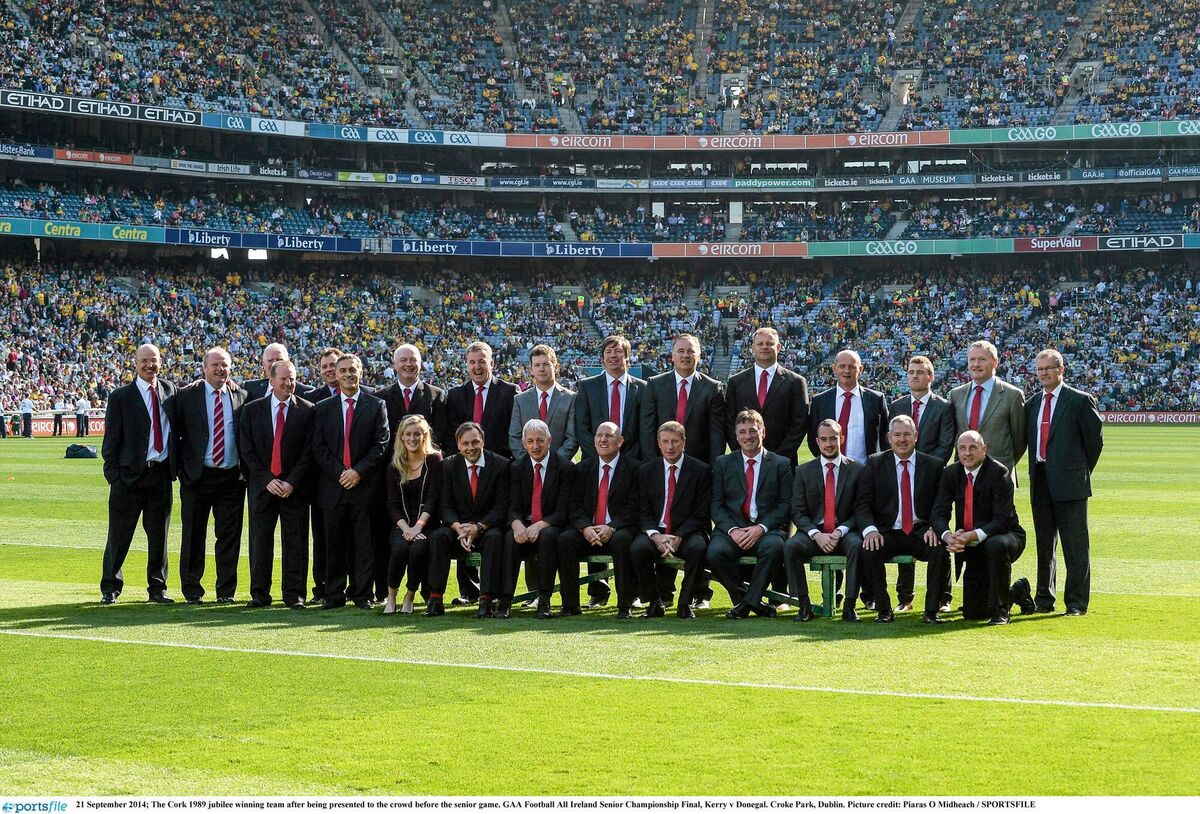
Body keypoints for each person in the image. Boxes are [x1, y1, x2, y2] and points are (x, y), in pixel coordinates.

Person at [1024, 348, 1104, 616]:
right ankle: (1044, 600)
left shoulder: (1080, 401)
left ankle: (1076, 603)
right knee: (1045, 545)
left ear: (1061, 370)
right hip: (1040, 480)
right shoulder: (1032, 403)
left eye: (1049, 368)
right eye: (1040, 369)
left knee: (1075, 546)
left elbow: (1094, 443)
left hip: (1070, 484)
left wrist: (1078, 472)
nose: (1044, 373)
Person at [166, 347, 248, 604]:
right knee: (193, 535)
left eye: (224, 365)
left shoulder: (241, 396)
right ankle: (191, 590)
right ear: (204, 368)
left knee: (229, 537)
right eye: (215, 365)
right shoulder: (187, 395)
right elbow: (174, 433)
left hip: (231, 478)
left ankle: (226, 591)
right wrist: (180, 469)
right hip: (197, 478)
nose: (220, 369)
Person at [310, 354, 390, 610]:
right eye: (342, 370)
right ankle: (333, 594)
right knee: (334, 544)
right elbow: (318, 446)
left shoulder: (376, 405)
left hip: (364, 487)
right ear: (336, 373)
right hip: (333, 488)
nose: (347, 374)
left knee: (363, 545)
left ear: (361, 372)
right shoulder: (323, 408)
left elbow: (381, 444)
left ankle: (362, 594)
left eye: (352, 370)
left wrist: (357, 472)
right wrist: (340, 473)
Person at [99, 344, 176, 604]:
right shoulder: (120, 396)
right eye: (144, 361)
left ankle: (157, 588)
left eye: (153, 360)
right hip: (129, 478)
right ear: (135, 363)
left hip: (161, 475)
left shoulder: (170, 391)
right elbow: (110, 441)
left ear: (160, 362)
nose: (149, 365)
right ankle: (110, 586)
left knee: (159, 537)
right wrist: (114, 476)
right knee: (119, 535)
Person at [574, 334, 647, 606]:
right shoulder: (588, 386)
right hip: (597, 466)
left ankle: (633, 594)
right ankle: (598, 592)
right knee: (596, 518)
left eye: (619, 352)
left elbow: (644, 428)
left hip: (631, 467)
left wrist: (625, 460)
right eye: (609, 352)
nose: (614, 357)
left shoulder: (642, 388)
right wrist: (601, 456)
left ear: (628, 357)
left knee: (626, 529)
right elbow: (582, 426)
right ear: (602, 358)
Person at [237, 359, 315, 609]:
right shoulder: (252, 410)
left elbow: (309, 451)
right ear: (271, 381)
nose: (288, 383)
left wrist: (291, 481)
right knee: (260, 542)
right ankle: (260, 594)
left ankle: (294, 596)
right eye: (283, 378)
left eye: (292, 378)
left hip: (296, 489)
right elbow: (246, 450)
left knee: (296, 543)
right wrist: (267, 480)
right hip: (263, 488)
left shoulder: (307, 409)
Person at [444, 341, 517, 604]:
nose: (477, 366)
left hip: (497, 473)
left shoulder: (510, 392)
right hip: (466, 469)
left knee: (493, 533)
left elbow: (512, 432)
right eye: (472, 362)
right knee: (463, 525)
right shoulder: (454, 394)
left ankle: (491, 591)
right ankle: (468, 592)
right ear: (466, 365)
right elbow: (451, 433)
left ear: (492, 363)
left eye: (482, 361)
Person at [856, 415, 948, 624]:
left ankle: (932, 611)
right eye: (897, 435)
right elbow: (862, 504)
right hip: (887, 531)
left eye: (907, 434)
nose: (902, 439)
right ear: (889, 437)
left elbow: (941, 505)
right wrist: (870, 530)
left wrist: (935, 527)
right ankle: (883, 609)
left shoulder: (933, 465)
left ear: (916, 436)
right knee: (869, 548)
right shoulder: (875, 463)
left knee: (940, 550)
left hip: (921, 531)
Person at [932, 431, 1029, 625]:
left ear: (984, 449)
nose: (967, 453)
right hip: (972, 542)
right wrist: (948, 536)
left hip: (1006, 535)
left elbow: (1003, 520)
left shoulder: (999, 473)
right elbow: (938, 513)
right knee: (974, 612)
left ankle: (1001, 611)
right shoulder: (950, 473)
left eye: (973, 447)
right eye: (962, 448)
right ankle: (1017, 591)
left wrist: (972, 535)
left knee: (995, 545)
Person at [888, 354, 957, 612]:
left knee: (937, 532)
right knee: (905, 528)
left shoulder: (943, 406)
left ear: (931, 376)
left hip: (933, 480)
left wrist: (923, 468)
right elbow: (892, 442)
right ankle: (905, 596)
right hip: (901, 476)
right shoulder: (897, 405)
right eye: (911, 372)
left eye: (920, 372)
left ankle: (943, 597)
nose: (914, 376)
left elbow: (945, 444)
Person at [708, 410, 792, 619]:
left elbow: (785, 505)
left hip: (766, 530)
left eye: (753, 430)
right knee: (714, 552)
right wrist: (733, 530)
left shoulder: (781, 464)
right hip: (731, 529)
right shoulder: (722, 463)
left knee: (774, 548)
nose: (748, 436)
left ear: (763, 432)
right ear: (736, 436)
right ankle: (751, 602)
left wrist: (761, 528)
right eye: (742, 432)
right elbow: (716, 505)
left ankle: (745, 605)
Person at [782, 419, 866, 621]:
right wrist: (816, 534)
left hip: (844, 532)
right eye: (824, 439)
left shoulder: (857, 469)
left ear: (842, 439)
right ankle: (803, 604)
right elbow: (798, 511)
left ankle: (850, 604)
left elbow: (860, 509)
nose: (829, 444)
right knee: (791, 547)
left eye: (833, 438)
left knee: (858, 546)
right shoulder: (803, 471)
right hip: (814, 533)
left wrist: (840, 531)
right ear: (817, 442)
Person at [425, 422, 512, 618]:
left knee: (495, 538)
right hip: (458, 527)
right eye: (465, 443)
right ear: (458, 445)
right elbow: (444, 505)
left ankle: (486, 601)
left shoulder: (500, 465)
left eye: (475, 442)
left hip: (487, 526)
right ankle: (436, 599)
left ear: (483, 441)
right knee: (438, 536)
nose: (470, 447)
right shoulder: (447, 465)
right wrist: (457, 527)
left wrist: (479, 527)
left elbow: (502, 506)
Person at [629, 421, 712, 619]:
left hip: (688, 532)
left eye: (675, 441)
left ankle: (685, 603)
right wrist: (655, 535)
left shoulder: (701, 470)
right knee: (637, 549)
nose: (670, 446)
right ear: (658, 443)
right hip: (656, 531)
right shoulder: (646, 470)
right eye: (665, 441)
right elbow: (642, 508)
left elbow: (701, 512)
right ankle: (654, 602)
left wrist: (679, 536)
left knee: (698, 549)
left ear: (684, 442)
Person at [559, 422, 641, 617]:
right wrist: (585, 527)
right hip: (588, 530)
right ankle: (570, 606)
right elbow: (573, 505)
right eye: (599, 436)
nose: (603, 440)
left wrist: (611, 527)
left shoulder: (634, 469)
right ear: (594, 440)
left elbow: (635, 506)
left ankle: (624, 606)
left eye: (609, 436)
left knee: (623, 541)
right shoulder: (581, 469)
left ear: (620, 441)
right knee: (565, 540)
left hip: (618, 529)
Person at [507, 419, 574, 618]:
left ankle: (544, 601)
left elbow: (564, 510)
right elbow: (511, 506)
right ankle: (504, 602)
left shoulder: (565, 467)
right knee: (507, 539)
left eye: (540, 441)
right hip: (525, 523)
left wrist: (540, 525)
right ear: (523, 443)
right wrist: (517, 524)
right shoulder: (516, 467)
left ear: (549, 440)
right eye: (530, 441)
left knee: (547, 538)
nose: (535, 446)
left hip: (552, 523)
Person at [382, 414, 442, 615]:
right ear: (401, 437)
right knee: (399, 549)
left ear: (425, 436)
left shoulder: (434, 460)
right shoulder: (394, 465)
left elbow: (433, 497)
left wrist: (418, 527)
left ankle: (409, 596)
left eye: (417, 434)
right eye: (408, 434)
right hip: (401, 525)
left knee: (418, 549)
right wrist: (407, 528)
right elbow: (392, 504)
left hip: (427, 525)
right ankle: (391, 597)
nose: (412, 438)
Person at [723, 327, 808, 467]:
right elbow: (729, 422)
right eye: (760, 344)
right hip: (745, 463)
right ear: (752, 347)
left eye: (769, 343)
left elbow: (800, 424)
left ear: (779, 347)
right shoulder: (736, 382)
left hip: (783, 463)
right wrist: (744, 454)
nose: (764, 347)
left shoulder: (796, 382)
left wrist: (779, 458)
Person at [640, 334, 725, 465]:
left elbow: (717, 435)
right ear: (672, 356)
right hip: (661, 464)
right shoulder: (655, 385)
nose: (686, 355)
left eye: (691, 351)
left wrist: (714, 468)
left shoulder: (712, 388)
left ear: (699, 356)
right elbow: (647, 429)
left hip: (699, 467)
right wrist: (652, 464)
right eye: (681, 351)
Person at [948, 340, 1026, 477]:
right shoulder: (956, 395)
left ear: (995, 363)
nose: (976, 364)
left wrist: (1003, 466)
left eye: (982, 359)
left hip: (998, 476)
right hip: (964, 476)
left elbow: (1019, 440)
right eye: (972, 360)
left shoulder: (1012, 395)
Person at [807, 349, 889, 464]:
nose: (847, 371)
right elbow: (812, 438)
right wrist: (828, 463)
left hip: (867, 472)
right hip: (832, 471)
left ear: (860, 369)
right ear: (834, 368)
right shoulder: (820, 401)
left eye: (852, 366)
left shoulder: (876, 399)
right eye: (842, 366)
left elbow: (886, 438)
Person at [508, 344, 578, 460]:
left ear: (556, 367)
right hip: (529, 471)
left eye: (546, 364)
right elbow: (514, 438)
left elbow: (572, 439)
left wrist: (553, 464)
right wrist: (529, 464)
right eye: (537, 365)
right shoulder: (520, 400)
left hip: (560, 469)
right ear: (531, 370)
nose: (541, 369)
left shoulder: (571, 398)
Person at [378, 343, 449, 445]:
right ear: (395, 364)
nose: (408, 364)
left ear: (420, 364)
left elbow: (440, 432)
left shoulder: (436, 395)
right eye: (403, 360)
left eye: (413, 360)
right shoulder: (380, 397)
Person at [243, 343, 315, 402]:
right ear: (263, 365)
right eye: (270, 360)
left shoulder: (306, 393)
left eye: (279, 360)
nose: (275, 364)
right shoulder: (250, 388)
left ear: (288, 363)